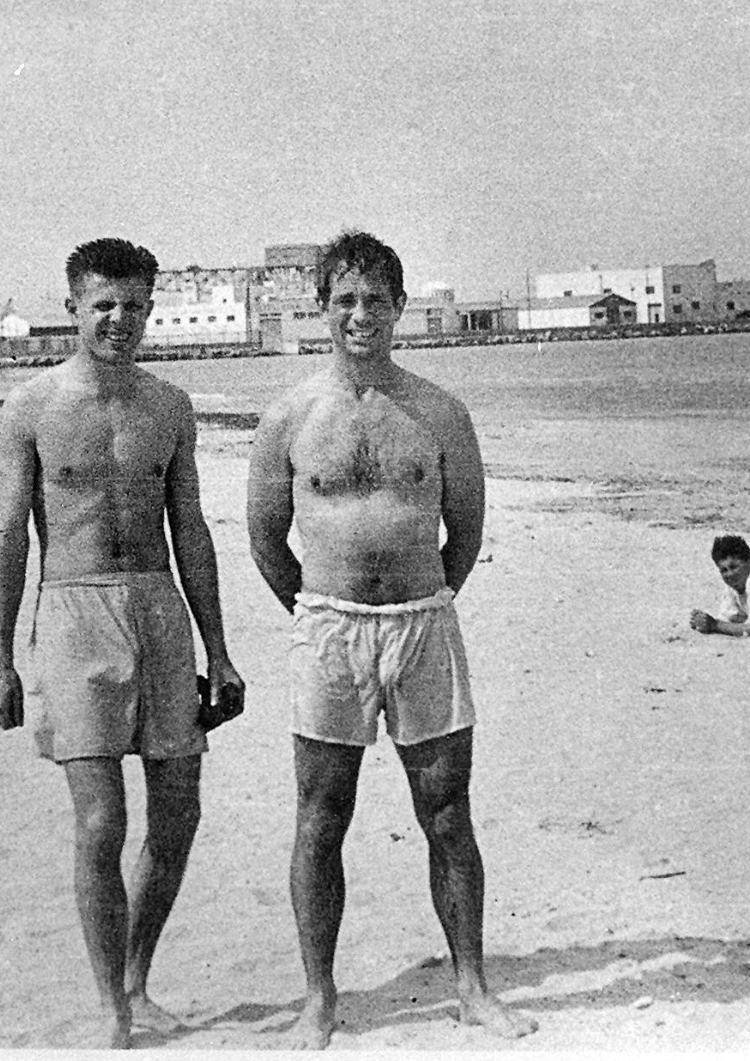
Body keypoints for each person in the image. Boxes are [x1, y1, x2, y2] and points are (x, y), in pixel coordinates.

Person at [246, 230, 535, 1048]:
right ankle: (318, 998)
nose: (361, 314)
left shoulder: (441, 411)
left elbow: (466, 532)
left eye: (377, 299)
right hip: (329, 631)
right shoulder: (290, 416)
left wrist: (416, 599)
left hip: (423, 626)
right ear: (322, 309)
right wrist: (318, 611)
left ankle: (473, 987)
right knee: (320, 817)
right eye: (345, 299)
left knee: (447, 814)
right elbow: (267, 538)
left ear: (401, 307)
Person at [0, 237, 245, 1049]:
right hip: (72, 610)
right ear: (72, 307)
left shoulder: (169, 405)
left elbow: (192, 531)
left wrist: (221, 650)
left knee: (179, 817)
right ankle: (111, 1009)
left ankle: (137, 978)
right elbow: (7, 537)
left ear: (150, 309)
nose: (119, 320)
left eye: (134, 305)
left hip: (159, 611)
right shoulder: (30, 408)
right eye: (103, 304)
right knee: (101, 824)